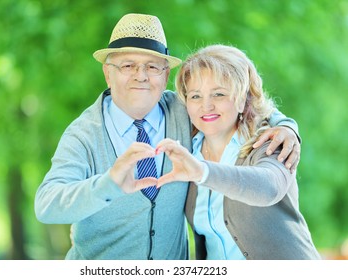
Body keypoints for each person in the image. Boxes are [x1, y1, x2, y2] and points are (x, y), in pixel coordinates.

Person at [34, 13, 301, 260]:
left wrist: (286, 126)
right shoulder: (84, 134)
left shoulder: (185, 111)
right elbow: (47, 204)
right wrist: (108, 184)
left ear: (165, 76)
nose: (141, 76)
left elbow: (235, 100)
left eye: (152, 67)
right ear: (107, 73)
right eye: (128, 65)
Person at [155, 44, 320, 260]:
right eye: (195, 96)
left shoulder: (268, 142)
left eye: (219, 94)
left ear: (242, 100)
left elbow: (268, 187)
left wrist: (203, 172)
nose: (206, 105)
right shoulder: (188, 149)